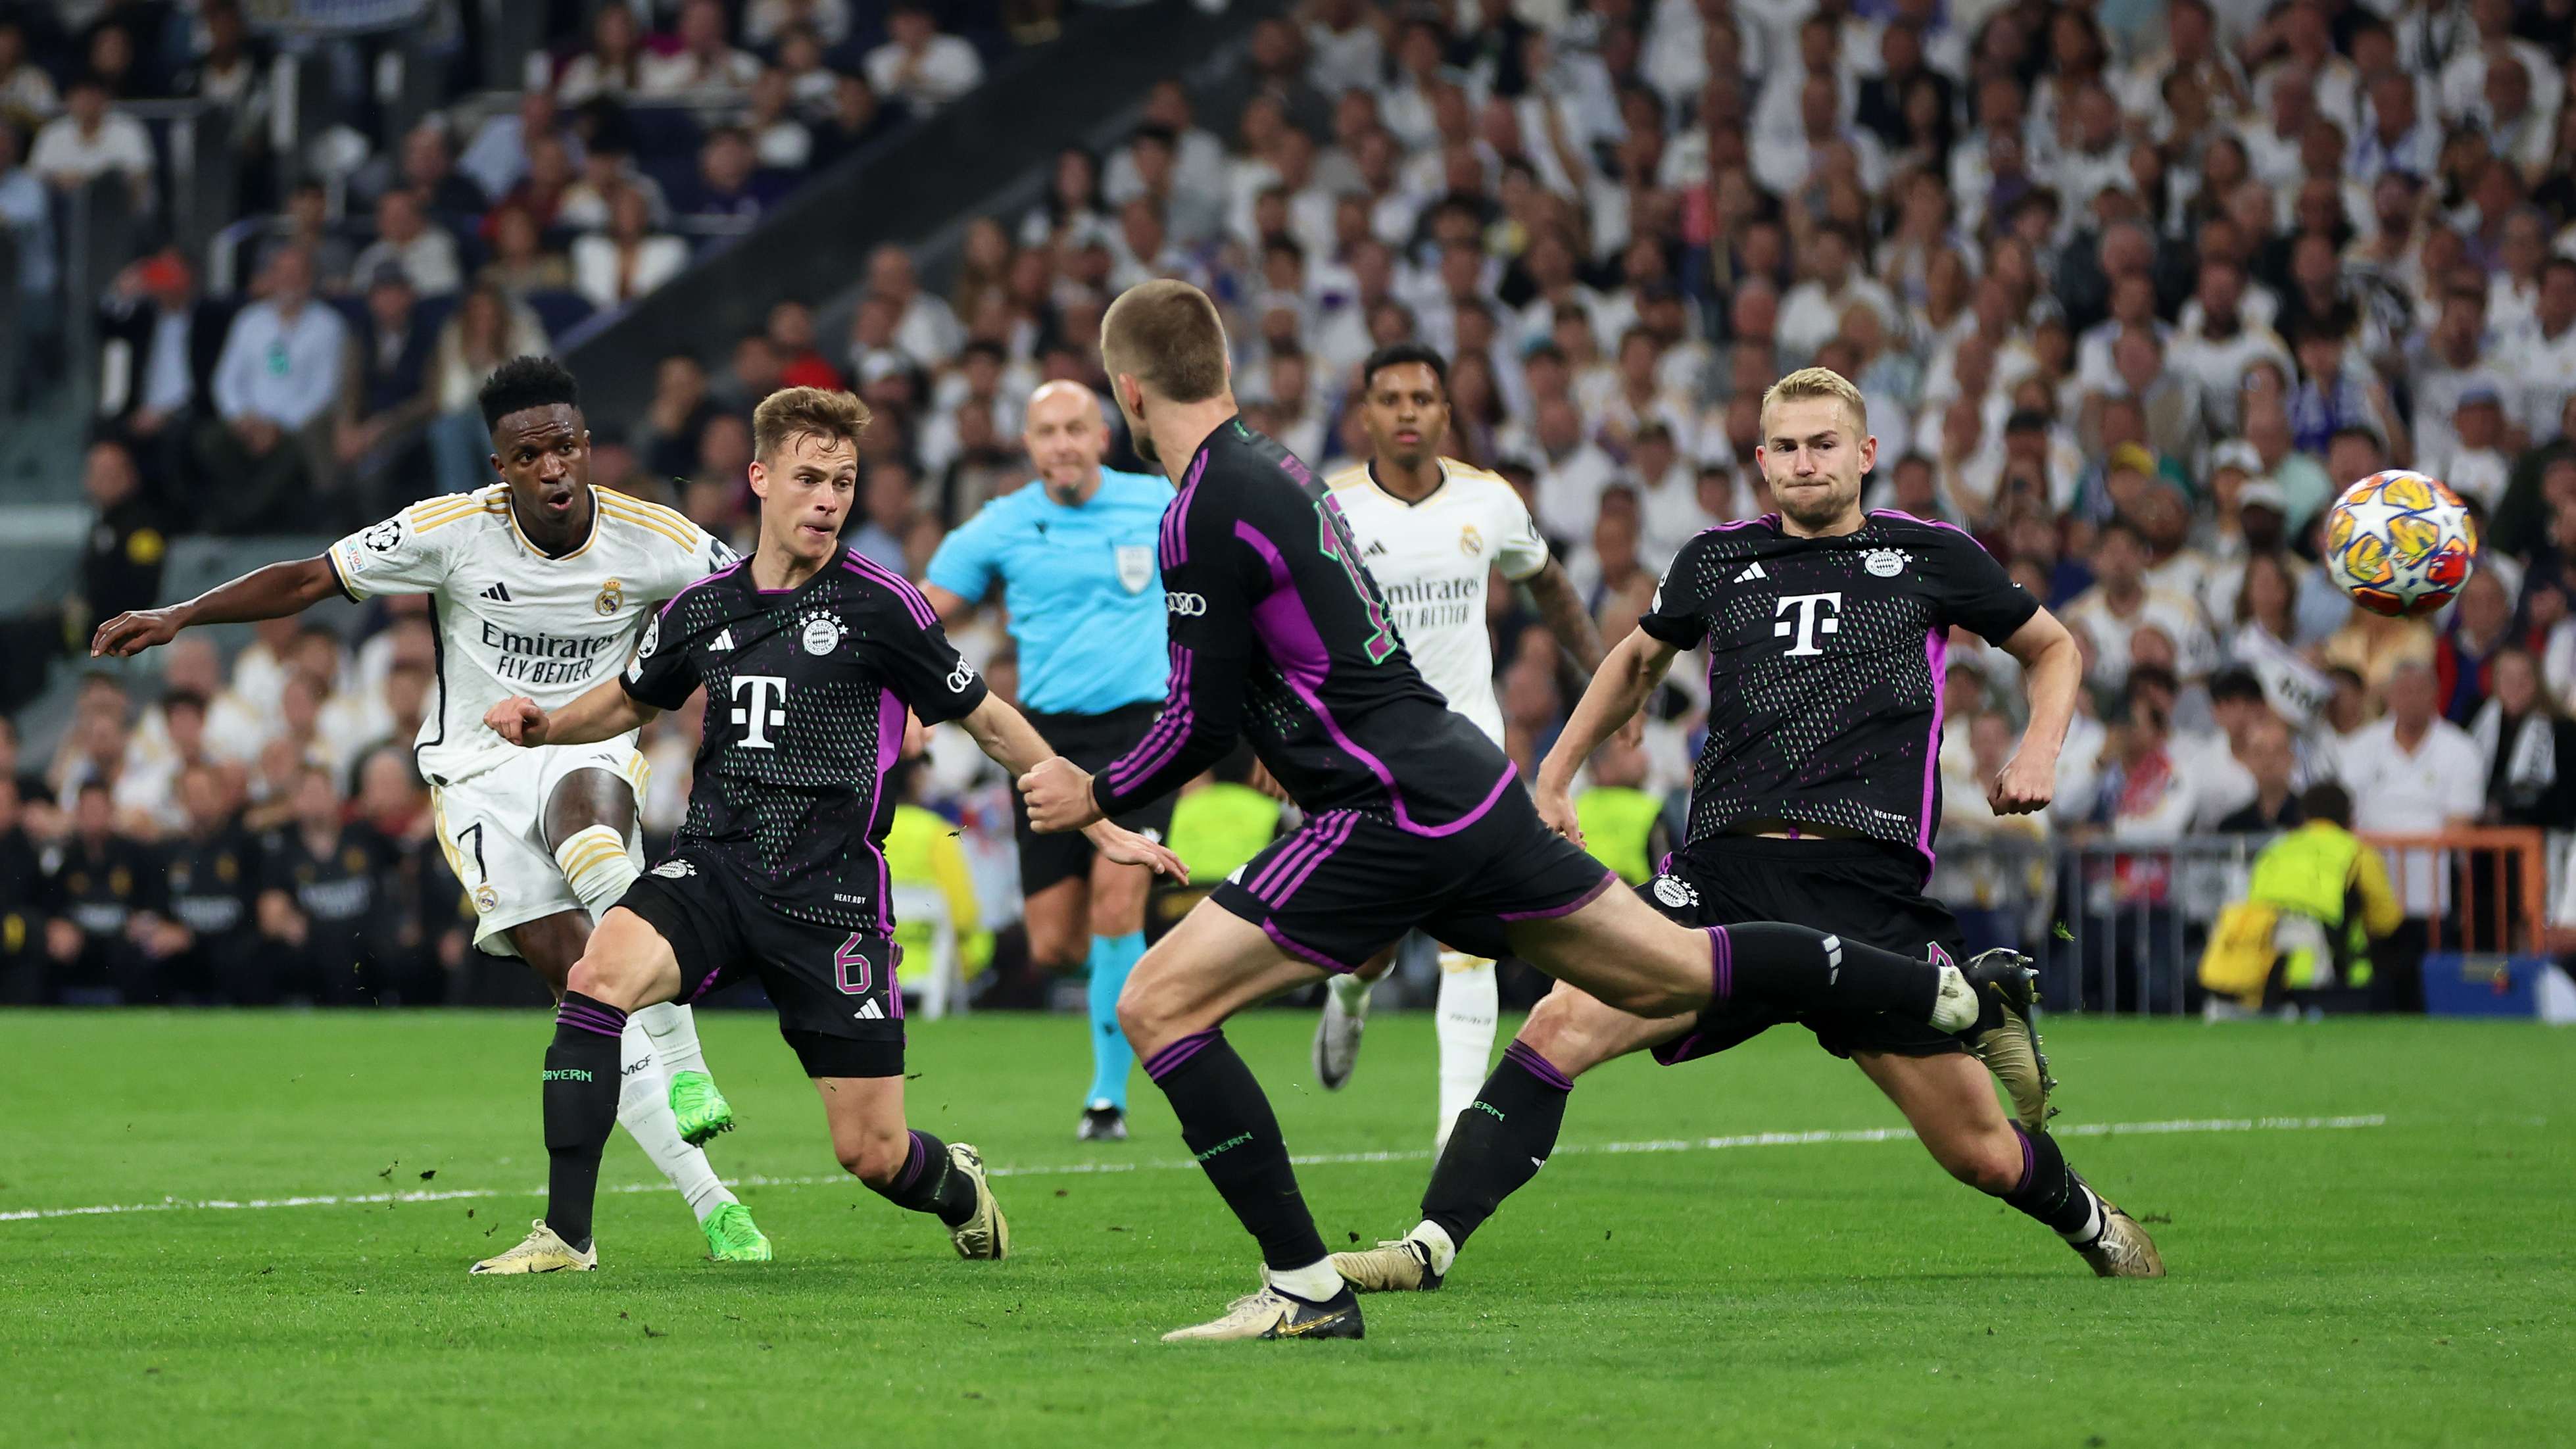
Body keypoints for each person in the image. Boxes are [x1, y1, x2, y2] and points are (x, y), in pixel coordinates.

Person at [1015, 282, 2033, 1342]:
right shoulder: (1277, 471)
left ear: (1127, 390)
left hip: (1383, 807)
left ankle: (1304, 1287)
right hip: (1465, 782)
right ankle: (1952, 996)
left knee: (1157, 1005)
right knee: (1674, 972)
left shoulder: (1200, 512)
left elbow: (1195, 718)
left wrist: (1090, 788)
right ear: (1219, 369)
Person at [1333, 366, 2160, 1296]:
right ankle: (1426, 1245)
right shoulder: (1716, 557)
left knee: (1978, 1150)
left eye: (1823, 444)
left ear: (1864, 453)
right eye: (1786, 447)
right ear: (1761, 460)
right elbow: (1637, 655)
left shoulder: (1930, 553)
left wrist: (2039, 750)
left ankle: (2094, 1222)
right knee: (1562, 1018)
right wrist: (1556, 772)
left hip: (1865, 887)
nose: (1804, 462)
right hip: (1721, 877)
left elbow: (2053, 645)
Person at [466, 385, 1186, 1275]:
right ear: (761, 479)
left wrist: (1094, 813)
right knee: (596, 978)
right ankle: (566, 1234)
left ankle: (956, 1185)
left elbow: (987, 717)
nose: (829, 499)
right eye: (811, 477)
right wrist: (546, 722)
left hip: (831, 893)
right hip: (718, 867)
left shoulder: (883, 606)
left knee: (873, 1154)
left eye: (844, 481)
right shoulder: (703, 606)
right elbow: (629, 697)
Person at [90, 356, 769, 1264]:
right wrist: (180, 613)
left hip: (587, 742)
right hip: (477, 774)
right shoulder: (451, 531)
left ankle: (689, 1070)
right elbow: (305, 579)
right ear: (502, 468)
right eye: (531, 454)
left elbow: (759, 605)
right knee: (583, 993)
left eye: (567, 445)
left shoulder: (658, 539)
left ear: (588, 447)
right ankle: (708, 1202)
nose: (555, 466)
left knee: (596, 835)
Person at [1307, 343, 1609, 1148]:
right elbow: (1290, 621)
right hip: (1365, 755)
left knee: (1467, 941)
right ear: (1364, 413)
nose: (1408, 411)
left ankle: (1454, 1135)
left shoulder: (1490, 500)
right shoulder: (1329, 507)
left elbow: (1544, 577)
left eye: (1423, 397)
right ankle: (1351, 993)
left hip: (1469, 750)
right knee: (1368, 947)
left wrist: (1602, 672)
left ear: (1446, 412)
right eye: (1390, 398)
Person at [920, 381, 1174, 1141]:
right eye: (1044, 432)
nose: (1060, 443)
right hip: (1043, 743)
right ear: (1027, 445)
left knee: (1114, 902)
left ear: (1102, 435)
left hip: (1143, 730)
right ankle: (1137, 978)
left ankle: (1106, 1098)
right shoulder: (1002, 523)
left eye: (1074, 428)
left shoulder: (1158, 502)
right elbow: (921, 608)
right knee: (1056, 940)